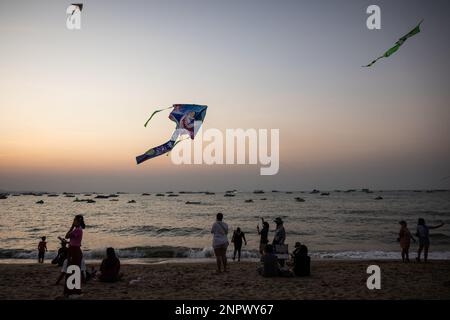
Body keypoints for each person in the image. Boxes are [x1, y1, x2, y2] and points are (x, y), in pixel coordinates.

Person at [64, 214, 85, 296]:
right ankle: (72, 291)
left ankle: (73, 292)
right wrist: (68, 242)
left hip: (75, 252)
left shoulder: (77, 230)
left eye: (74, 220)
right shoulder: (77, 229)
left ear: (78, 221)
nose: (73, 222)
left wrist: (71, 226)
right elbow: (73, 240)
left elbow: (66, 236)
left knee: (73, 270)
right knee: (73, 270)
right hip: (74, 250)